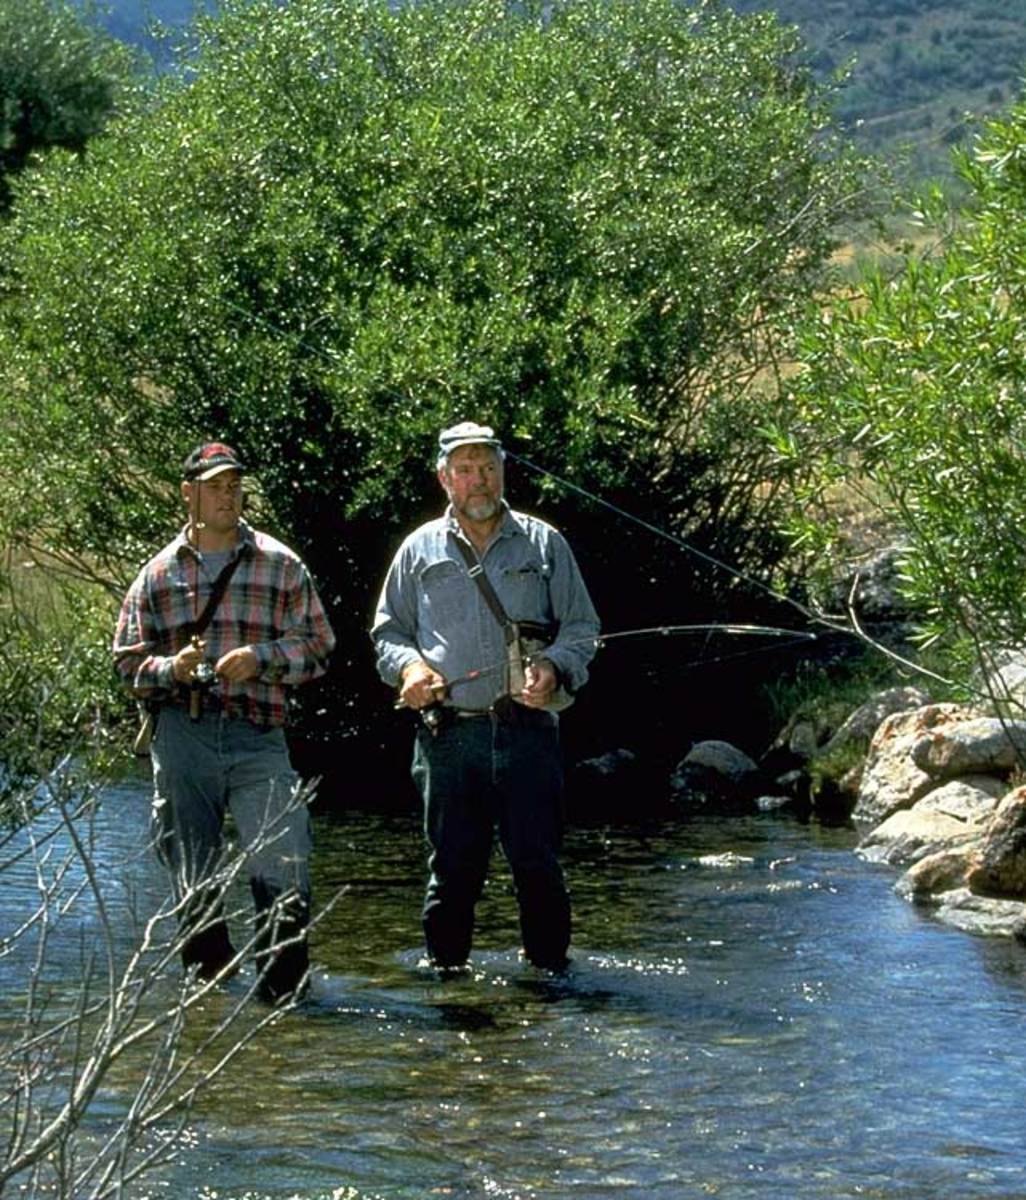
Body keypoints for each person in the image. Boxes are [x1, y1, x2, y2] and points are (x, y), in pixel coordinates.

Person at [372, 421, 600, 971]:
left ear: (503, 472)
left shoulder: (545, 543)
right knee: (451, 871)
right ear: (444, 478)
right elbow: (387, 634)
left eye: (489, 468)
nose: (480, 481)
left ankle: (551, 989)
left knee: (538, 867)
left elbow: (583, 629)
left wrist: (552, 665)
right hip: (447, 736)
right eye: (467, 470)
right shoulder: (417, 549)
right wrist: (410, 670)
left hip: (529, 732)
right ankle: (449, 994)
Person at [113, 441, 335, 1002]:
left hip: (259, 733)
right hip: (182, 735)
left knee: (284, 858)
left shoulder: (281, 565)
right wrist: (173, 669)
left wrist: (261, 659)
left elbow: (320, 648)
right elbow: (127, 664)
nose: (226, 496)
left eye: (233, 485)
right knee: (194, 872)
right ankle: (206, 999)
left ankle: (285, 998)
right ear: (188, 494)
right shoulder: (156, 575)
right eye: (214, 486)